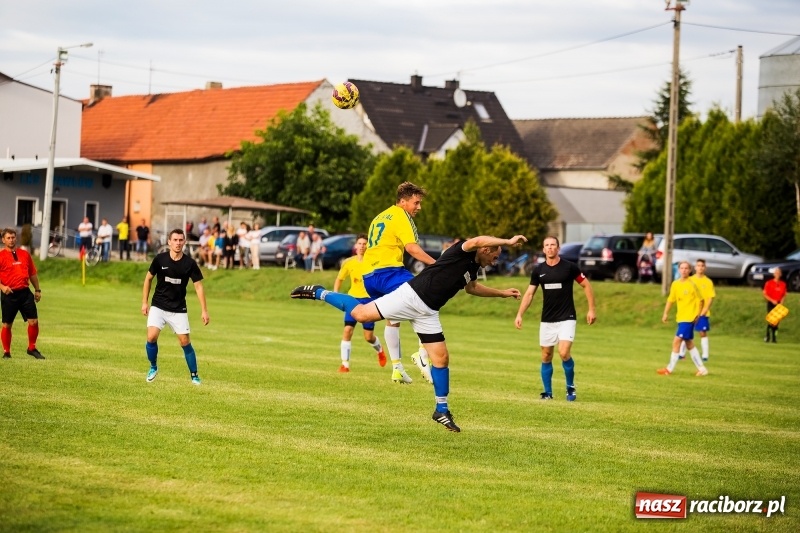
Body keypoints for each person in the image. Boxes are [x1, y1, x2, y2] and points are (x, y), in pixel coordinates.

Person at [291, 234, 527, 432]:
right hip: (411, 296)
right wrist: (507, 241)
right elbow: (476, 240)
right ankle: (319, 292)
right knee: (361, 314)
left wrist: (502, 293)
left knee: (441, 359)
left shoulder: (473, 267)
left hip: (429, 311)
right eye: (495, 255)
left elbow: (472, 288)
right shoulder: (461, 251)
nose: (495, 260)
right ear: (486, 249)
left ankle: (441, 410)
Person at [361, 181, 437, 384]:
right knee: (426, 299)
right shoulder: (401, 216)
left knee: (393, 317)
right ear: (403, 202)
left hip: (369, 276)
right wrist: (437, 265)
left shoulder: (381, 216)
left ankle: (397, 368)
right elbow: (412, 248)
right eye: (416, 202)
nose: (419, 207)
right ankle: (422, 354)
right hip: (388, 273)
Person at [514, 236, 596, 401]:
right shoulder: (538, 270)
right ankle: (548, 393)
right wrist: (520, 314)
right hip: (547, 319)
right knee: (546, 355)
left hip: (567, 317)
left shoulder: (569, 267)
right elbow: (529, 294)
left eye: (553, 245)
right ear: (543, 249)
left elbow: (586, 285)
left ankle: (570, 387)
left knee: (564, 352)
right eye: (547, 245)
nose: (550, 247)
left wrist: (591, 309)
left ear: (558, 248)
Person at [141, 228, 209, 385]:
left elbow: (198, 287)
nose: (178, 243)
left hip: (178, 308)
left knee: (185, 342)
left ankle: (194, 375)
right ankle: (153, 367)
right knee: (151, 337)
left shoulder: (189, 264)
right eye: (175, 240)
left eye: (180, 240)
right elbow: (148, 279)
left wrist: (204, 310)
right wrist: (145, 302)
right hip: (158, 305)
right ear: (169, 242)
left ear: (184, 242)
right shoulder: (160, 259)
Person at [332, 234, 387, 372]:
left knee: (368, 337)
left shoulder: (373, 262)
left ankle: (380, 350)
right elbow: (339, 279)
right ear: (356, 245)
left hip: (368, 301)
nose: (362, 246)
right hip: (353, 300)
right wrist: (335, 294)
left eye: (364, 244)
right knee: (347, 330)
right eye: (360, 243)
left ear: (368, 246)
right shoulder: (349, 262)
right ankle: (345, 365)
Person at [657, 261, 709, 377]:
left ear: (690, 270)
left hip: (689, 318)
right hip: (681, 318)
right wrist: (665, 313)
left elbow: (701, 300)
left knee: (676, 341)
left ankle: (669, 369)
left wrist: (698, 315)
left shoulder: (692, 284)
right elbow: (671, 300)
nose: (684, 270)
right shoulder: (675, 284)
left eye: (686, 268)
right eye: (682, 268)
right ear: (679, 269)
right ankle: (702, 369)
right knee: (689, 343)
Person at [0, 228, 44, 359]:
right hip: (9, 294)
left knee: (34, 321)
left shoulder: (25, 254)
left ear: (16, 238)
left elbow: (32, 273)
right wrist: (2, 287)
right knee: (7, 325)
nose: (11, 240)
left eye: (13, 237)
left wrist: (37, 290)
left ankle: (32, 348)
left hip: (25, 293)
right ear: (3, 240)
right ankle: (7, 352)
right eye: (8, 238)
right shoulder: (1, 256)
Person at [678, 259, 715, 360]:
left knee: (702, 332)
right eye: (698, 265)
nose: (700, 267)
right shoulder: (690, 280)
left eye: (702, 266)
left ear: (705, 268)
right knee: (685, 333)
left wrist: (704, 310)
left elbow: (710, 298)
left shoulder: (708, 282)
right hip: (690, 312)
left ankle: (705, 355)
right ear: (695, 268)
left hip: (702, 312)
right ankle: (681, 354)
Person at [763, 267, 787, 343]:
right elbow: (765, 294)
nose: (777, 274)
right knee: (771, 320)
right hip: (771, 303)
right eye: (776, 273)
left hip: (778, 304)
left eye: (778, 273)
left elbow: (784, 295)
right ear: (774, 274)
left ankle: (774, 337)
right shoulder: (769, 283)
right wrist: (772, 300)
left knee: (776, 322)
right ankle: (767, 335)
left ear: (780, 274)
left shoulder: (783, 284)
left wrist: (781, 303)